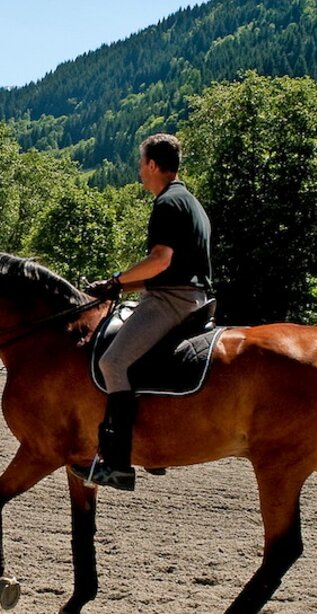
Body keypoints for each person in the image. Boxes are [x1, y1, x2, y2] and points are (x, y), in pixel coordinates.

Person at [68, 133, 212, 491]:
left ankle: (117, 463)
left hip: (171, 300)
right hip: (189, 295)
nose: (138, 171)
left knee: (112, 363)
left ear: (151, 164)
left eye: (139, 163)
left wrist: (118, 278)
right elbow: (170, 268)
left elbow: (160, 260)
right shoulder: (191, 202)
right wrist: (117, 287)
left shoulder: (167, 204)